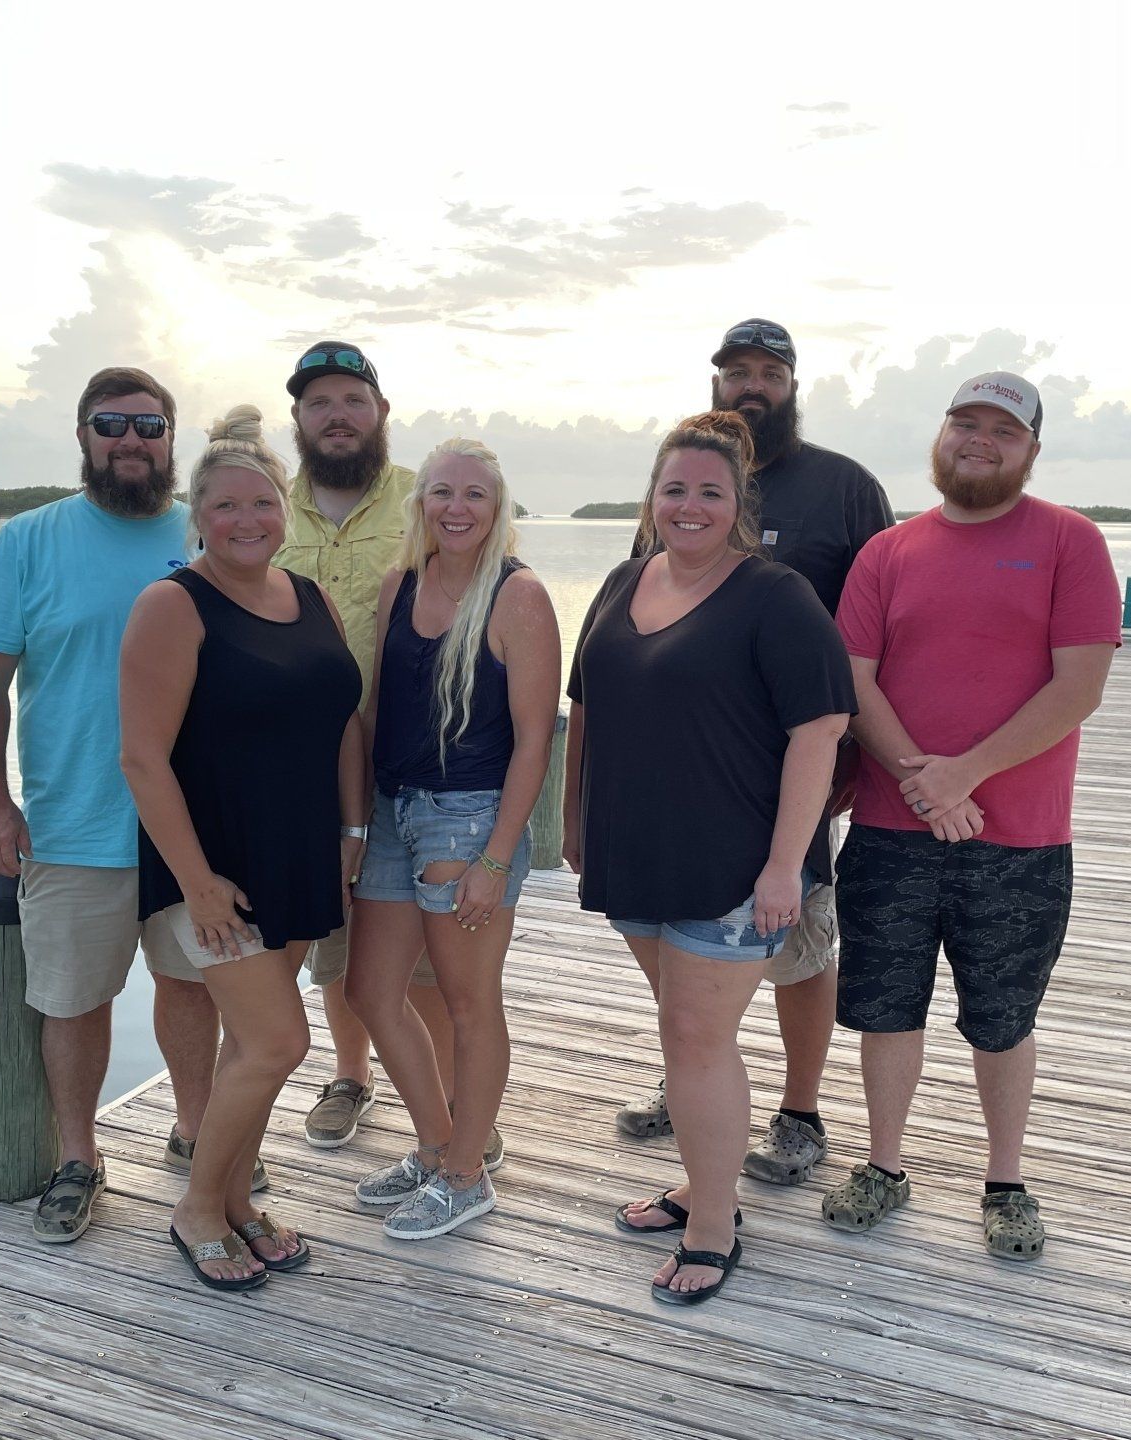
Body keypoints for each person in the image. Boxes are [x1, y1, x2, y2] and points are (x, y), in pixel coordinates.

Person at [825, 371, 1121, 1261]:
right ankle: (883, 1165)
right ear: (941, 435)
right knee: (886, 1009)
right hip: (890, 830)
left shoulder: (1070, 542)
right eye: (965, 422)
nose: (980, 439)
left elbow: (1080, 685)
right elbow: (854, 675)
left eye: (1003, 428)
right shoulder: (887, 551)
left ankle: (1005, 1180)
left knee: (1003, 1016)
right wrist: (924, 784)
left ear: (1031, 449)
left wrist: (965, 777)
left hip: (1020, 837)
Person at [566, 412, 855, 1305]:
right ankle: (707, 1181)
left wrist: (784, 866)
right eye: (675, 489)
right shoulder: (622, 580)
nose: (689, 506)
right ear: (653, 499)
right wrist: (574, 820)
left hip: (735, 863)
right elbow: (588, 708)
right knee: (693, 1036)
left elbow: (822, 728)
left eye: (710, 493)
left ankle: (714, 1229)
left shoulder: (775, 595)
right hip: (637, 851)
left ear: (739, 507)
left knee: (695, 1038)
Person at [614, 318, 895, 1194]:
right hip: (685, 780)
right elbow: (637, 617)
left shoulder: (844, 487)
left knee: (798, 946)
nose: (750, 386)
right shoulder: (677, 481)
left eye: (768, 372)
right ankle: (698, 1074)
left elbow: (886, 629)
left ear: (792, 384)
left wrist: (866, 757)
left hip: (799, 772)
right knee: (689, 952)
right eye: (735, 371)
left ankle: (801, 1109)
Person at [0, 366, 221, 1245]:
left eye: (150, 426)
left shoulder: (215, 531)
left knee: (193, 984)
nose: (131, 442)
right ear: (82, 438)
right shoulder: (29, 542)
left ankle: (198, 1134)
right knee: (72, 1000)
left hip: (197, 827)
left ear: (172, 441)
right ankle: (80, 1158)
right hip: (73, 824)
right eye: (113, 425)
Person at [119, 406, 366, 1291]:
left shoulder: (310, 598)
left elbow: (341, 721)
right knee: (276, 1043)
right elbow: (142, 759)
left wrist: (351, 833)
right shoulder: (172, 605)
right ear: (199, 516)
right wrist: (199, 884)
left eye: (262, 502)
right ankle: (195, 1209)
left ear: (284, 509)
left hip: (298, 853)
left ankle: (235, 1203)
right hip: (213, 864)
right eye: (226, 506)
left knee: (247, 1053)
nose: (247, 520)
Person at [345, 439, 560, 1239]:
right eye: (442, 492)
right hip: (396, 810)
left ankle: (469, 1175)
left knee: (470, 1003)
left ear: (498, 506)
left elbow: (535, 740)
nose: (457, 507)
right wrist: (356, 823)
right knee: (370, 991)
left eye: (474, 493)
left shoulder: (519, 595)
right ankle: (439, 1147)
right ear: (420, 502)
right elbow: (375, 711)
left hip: (469, 816)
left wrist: (497, 859)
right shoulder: (401, 583)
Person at [271, 342, 475, 1158]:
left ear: (382, 412)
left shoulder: (421, 501)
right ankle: (349, 1077)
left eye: (353, 399)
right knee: (334, 940)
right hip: (304, 765)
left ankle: (456, 1108)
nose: (337, 416)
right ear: (298, 420)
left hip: (412, 762)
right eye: (319, 402)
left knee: (422, 954)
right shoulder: (263, 507)